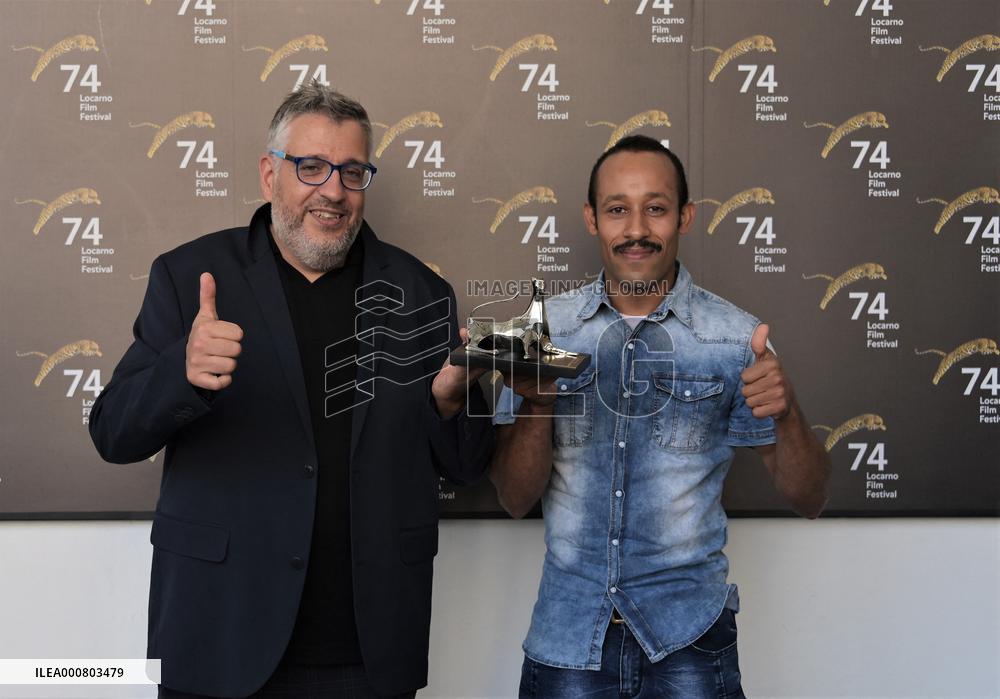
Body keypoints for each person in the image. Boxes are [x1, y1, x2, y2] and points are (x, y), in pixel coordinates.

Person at [89, 83, 492, 699]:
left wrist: (447, 402)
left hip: (368, 652)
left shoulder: (421, 293)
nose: (332, 191)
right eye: (311, 167)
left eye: (352, 172)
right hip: (219, 640)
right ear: (269, 174)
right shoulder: (189, 275)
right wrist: (181, 370)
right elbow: (113, 434)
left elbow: (465, 465)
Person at [489, 135, 831, 698]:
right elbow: (513, 498)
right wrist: (537, 401)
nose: (637, 228)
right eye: (618, 209)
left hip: (691, 643)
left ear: (685, 217)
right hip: (569, 638)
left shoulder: (736, 338)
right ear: (592, 219)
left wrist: (788, 413)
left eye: (656, 207)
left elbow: (810, 497)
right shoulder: (542, 332)